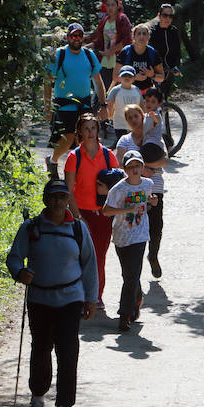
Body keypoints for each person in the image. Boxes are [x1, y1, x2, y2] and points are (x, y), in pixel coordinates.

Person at [6, 179, 99, 407]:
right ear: (45, 200)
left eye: (62, 197)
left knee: (68, 351)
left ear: (68, 200)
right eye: (53, 197)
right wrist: (20, 273)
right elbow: (14, 257)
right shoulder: (31, 228)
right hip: (40, 298)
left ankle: (65, 406)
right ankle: (38, 393)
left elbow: (90, 265)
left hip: (71, 298)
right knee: (41, 347)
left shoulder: (78, 229)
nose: (58, 202)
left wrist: (91, 299)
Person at [64, 113, 119, 309]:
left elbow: (118, 185)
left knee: (100, 256)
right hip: (82, 214)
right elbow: (68, 190)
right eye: (86, 128)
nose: (90, 132)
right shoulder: (74, 157)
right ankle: (81, 295)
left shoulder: (108, 155)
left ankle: (96, 295)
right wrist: (78, 217)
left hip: (104, 214)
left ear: (98, 130)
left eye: (93, 128)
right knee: (80, 256)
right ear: (79, 131)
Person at [44, 22, 108, 179]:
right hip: (64, 104)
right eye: (73, 35)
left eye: (79, 35)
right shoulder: (60, 55)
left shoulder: (89, 55)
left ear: (83, 37)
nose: (76, 38)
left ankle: (81, 170)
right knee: (69, 137)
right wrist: (47, 107)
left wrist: (104, 105)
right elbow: (47, 82)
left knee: (87, 137)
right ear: (67, 37)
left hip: (85, 104)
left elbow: (98, 82)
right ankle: (53, 161)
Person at [102, 150, 157, 332]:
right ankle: (136, 297)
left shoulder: (148, 184)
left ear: (142, 167)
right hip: (121, 236)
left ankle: (123, 315)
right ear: (124, 169)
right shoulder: (118, 189)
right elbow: (106, 210)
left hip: (140, 236)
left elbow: (147, 202)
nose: (134, 170)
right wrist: (125, 210)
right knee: (129, 275)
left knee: (131, 275)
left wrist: (152, 202)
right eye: (130, 167)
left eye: (137, 166)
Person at [115, 104, 168, 278]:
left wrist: (144, 168)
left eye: (135, 116)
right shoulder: (124, 141)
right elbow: (120, 164)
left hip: (155, 186)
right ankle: (133, 270)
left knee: (156, 226)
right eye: (129, 118)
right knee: (135, 227)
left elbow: (165, 160)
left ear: (142, 116)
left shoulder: (153, 135)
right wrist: (141, 171)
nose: (133, 120)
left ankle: (153, 255)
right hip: (133, 189)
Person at [87, 0, 132, 91]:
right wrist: (88, 46)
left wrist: (110, 51)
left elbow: (127, 40)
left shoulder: (122, 19)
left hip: (119, 62)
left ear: (117, 6)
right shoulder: (104, 21)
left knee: (117, 91)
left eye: (113, 5)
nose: (110, 8)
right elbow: (99, 40)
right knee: (102, 90)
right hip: (105, 62)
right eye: (108, 5)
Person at [111, 24, 164, 93]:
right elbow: (115, 77)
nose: (141, 36)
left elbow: (161, 78)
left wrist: (152, 75)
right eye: (138, 34)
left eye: (144, 34)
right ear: (133, 37)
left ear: (148, 37)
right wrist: (134, 77)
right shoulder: (126, 52)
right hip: (127, 92)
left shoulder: (153, 53)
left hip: (147, 94)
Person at [149, 3, 182, 100]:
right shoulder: (153, 31)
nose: (168, 18)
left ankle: (165, 113)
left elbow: (177, 51)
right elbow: (151, 51)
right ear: (159, 16)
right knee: (156, 97)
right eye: (165, 15)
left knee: (165, 97)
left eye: (170, 16)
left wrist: (177, 66)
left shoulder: (173, 31)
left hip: (170, 69)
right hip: (157, 70)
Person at [107, 65, 143, 139]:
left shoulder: (136, 90)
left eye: (130, 76)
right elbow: (109, 105)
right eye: (124, 76)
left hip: (135, 124)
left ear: (134, 79)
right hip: (120, 125)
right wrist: (109, 116)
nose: (127, 78)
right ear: (119, 78)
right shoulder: (115, 90)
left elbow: (141, 106)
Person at [138, 87, 166, 165]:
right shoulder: (146, 115)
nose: (149, 104)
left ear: (159, 104)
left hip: (153, 146)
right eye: (147, 101)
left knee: (139, 158)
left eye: (153, 102)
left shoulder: (155, 114)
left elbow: (157, 120)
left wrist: (154, 116)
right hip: (147, 144)